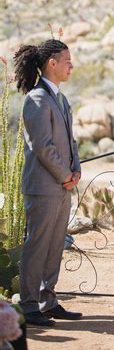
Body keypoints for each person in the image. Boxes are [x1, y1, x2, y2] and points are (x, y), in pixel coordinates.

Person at [13, 39, 82, 328]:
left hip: (62, 185)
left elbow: (70, 140)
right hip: (44, 186)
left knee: (55, 246)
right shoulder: (37, 99)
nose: (71, 64)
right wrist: (64, 175)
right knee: (37, 247)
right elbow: (43, 146)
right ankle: (29, 305)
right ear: (51, 63)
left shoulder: (61, 99)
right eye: (66, 60)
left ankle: (48, 300)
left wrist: (75, 169)